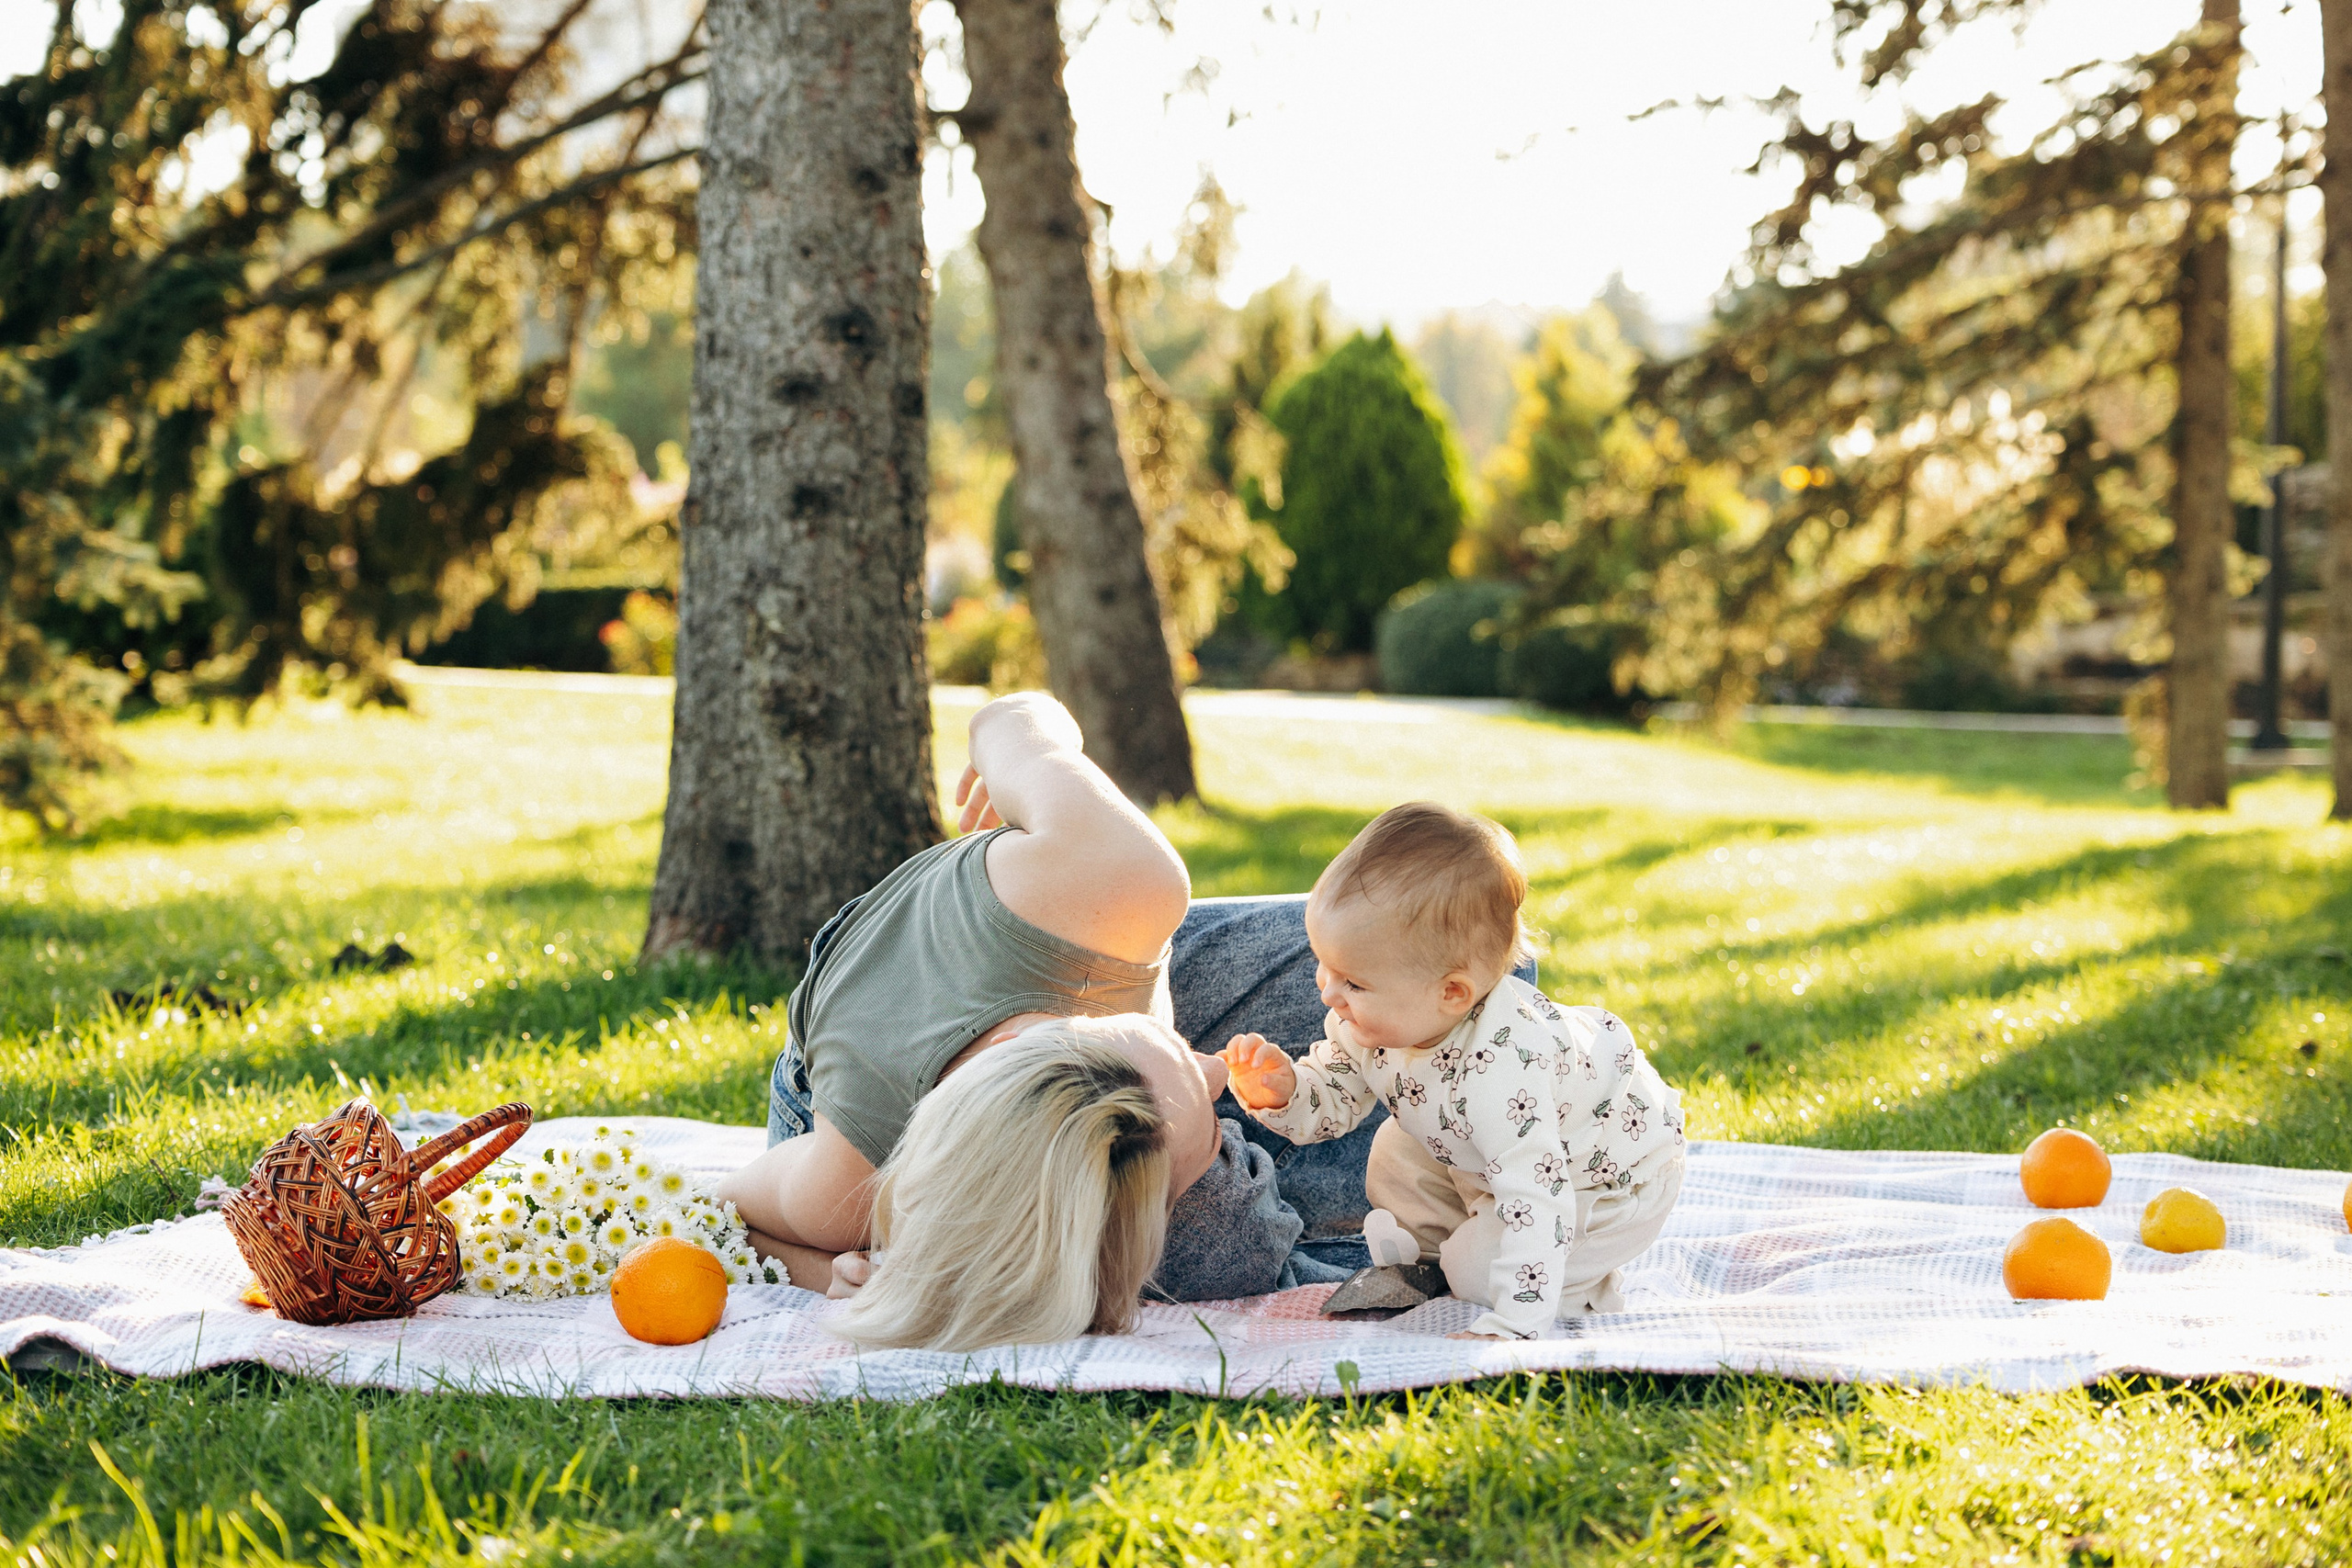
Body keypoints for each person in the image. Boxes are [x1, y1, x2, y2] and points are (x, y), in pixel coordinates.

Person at [717, 692, 1349, 1352]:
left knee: (1377, 962)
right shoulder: (848, 1190)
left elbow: (1010, 714)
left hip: (1021, 935)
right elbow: (726, 1219)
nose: (1221, 1070)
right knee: (1213, 1246)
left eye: (1184, 1053)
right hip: (868, 1126)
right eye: (1213, 1147)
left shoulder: (1115, 882)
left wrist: (1019, 772)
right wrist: (836, 1273)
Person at [1220, 803, 1686, 1340]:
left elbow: (1539, 1197)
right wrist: (1283, 1092)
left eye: (1353, 982)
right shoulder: (1374, 1022)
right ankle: (1434, 1263)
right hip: (1491, 1159)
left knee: (1476, 1269)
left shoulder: (1503, 1075)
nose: (1328, 992)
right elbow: (1334, 1101)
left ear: (1451, 993)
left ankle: (1574, 1291)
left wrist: (1515, 1321)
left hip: (1603, 1183)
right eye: (1324, 966)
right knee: (1395, 1150)